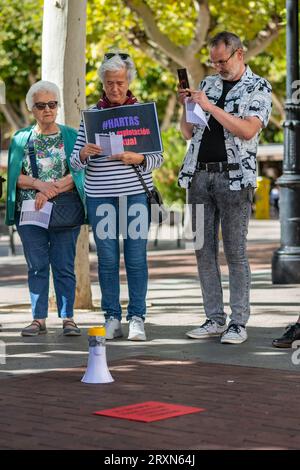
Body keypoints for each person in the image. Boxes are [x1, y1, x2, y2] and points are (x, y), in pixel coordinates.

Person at [178, 31, 272, 344]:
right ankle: (214, 318)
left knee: (236, 253)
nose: (218, 67)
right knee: (203, 252)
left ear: (239, 54)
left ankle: (238, 322)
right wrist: (187, 107)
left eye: (223, 60)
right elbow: (188, 133)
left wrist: (210, 107)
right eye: (214, 61)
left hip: (235, 179)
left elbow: (247, 130)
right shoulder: (207, 84)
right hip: (199, 177)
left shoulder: (258, 87)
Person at [70, 51, 163, 341]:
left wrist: (138, 158)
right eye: (110, 83)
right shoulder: (92, 116)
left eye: (120, 82)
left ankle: (137, 317)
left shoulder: (143, 114)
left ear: (129, 81)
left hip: (135, 195)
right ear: (102, 84)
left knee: (136, 258)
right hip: (100, 197)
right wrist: (83, 154)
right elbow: (73, 162)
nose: (115, 89)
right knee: (108, 259)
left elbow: (158, 157)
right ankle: (111, 317)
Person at [5, 80, 85, 337]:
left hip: (65, 209)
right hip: (30, 211)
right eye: (41, 105)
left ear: (58, 106)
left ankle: (68, 318)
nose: (47, 109)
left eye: (52, 104)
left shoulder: (71, 135)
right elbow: (15, 175)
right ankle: (38, 318)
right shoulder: (21, 138)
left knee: (64, 265)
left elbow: (82, 172)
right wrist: (39, 185)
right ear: (32, 109)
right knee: (37, 265)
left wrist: (55, 189)